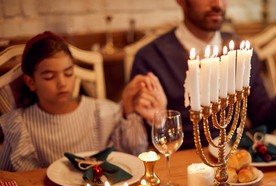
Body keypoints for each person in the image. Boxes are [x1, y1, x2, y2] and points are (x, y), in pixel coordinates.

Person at [129, 0, 276, 149]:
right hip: (181, 165)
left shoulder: (242, 54)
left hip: (235, 162)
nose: (217, 4)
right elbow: (142, 140)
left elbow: (263, 123)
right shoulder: (151, 58)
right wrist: (155, 119)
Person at [0, 31, 165, 171]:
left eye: (68, 73)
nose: (62, 83)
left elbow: (134, 153)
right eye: (50, 76)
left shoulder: (101, 113)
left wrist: (128, 109)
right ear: (31, 82)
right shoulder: (20, 125)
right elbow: (10, 179)